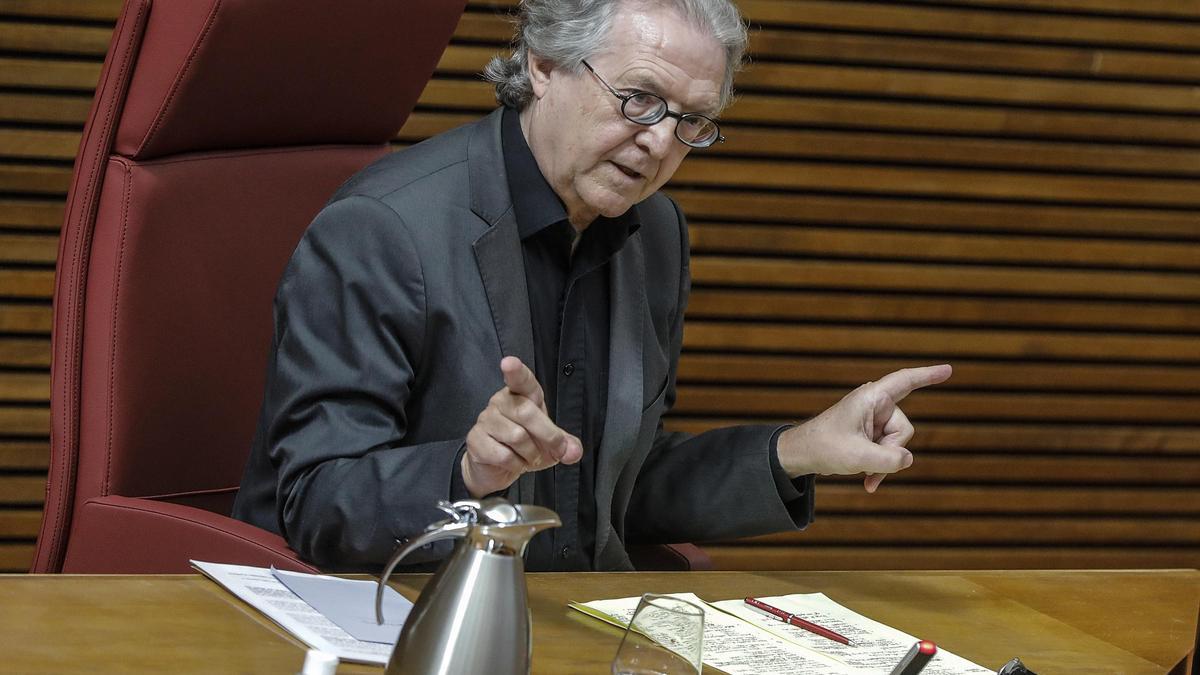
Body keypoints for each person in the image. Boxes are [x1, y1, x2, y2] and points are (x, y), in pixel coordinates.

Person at [232, 0, 951, 571]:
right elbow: (316, 500)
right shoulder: (383, 229)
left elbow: (615, 490)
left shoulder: (657, 233)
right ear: (543, 63)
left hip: (569, 627)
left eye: (692, 121)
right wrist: (466, 471)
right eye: (639, 100)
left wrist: (797, 448)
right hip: (402, 620)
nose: (662, 143)